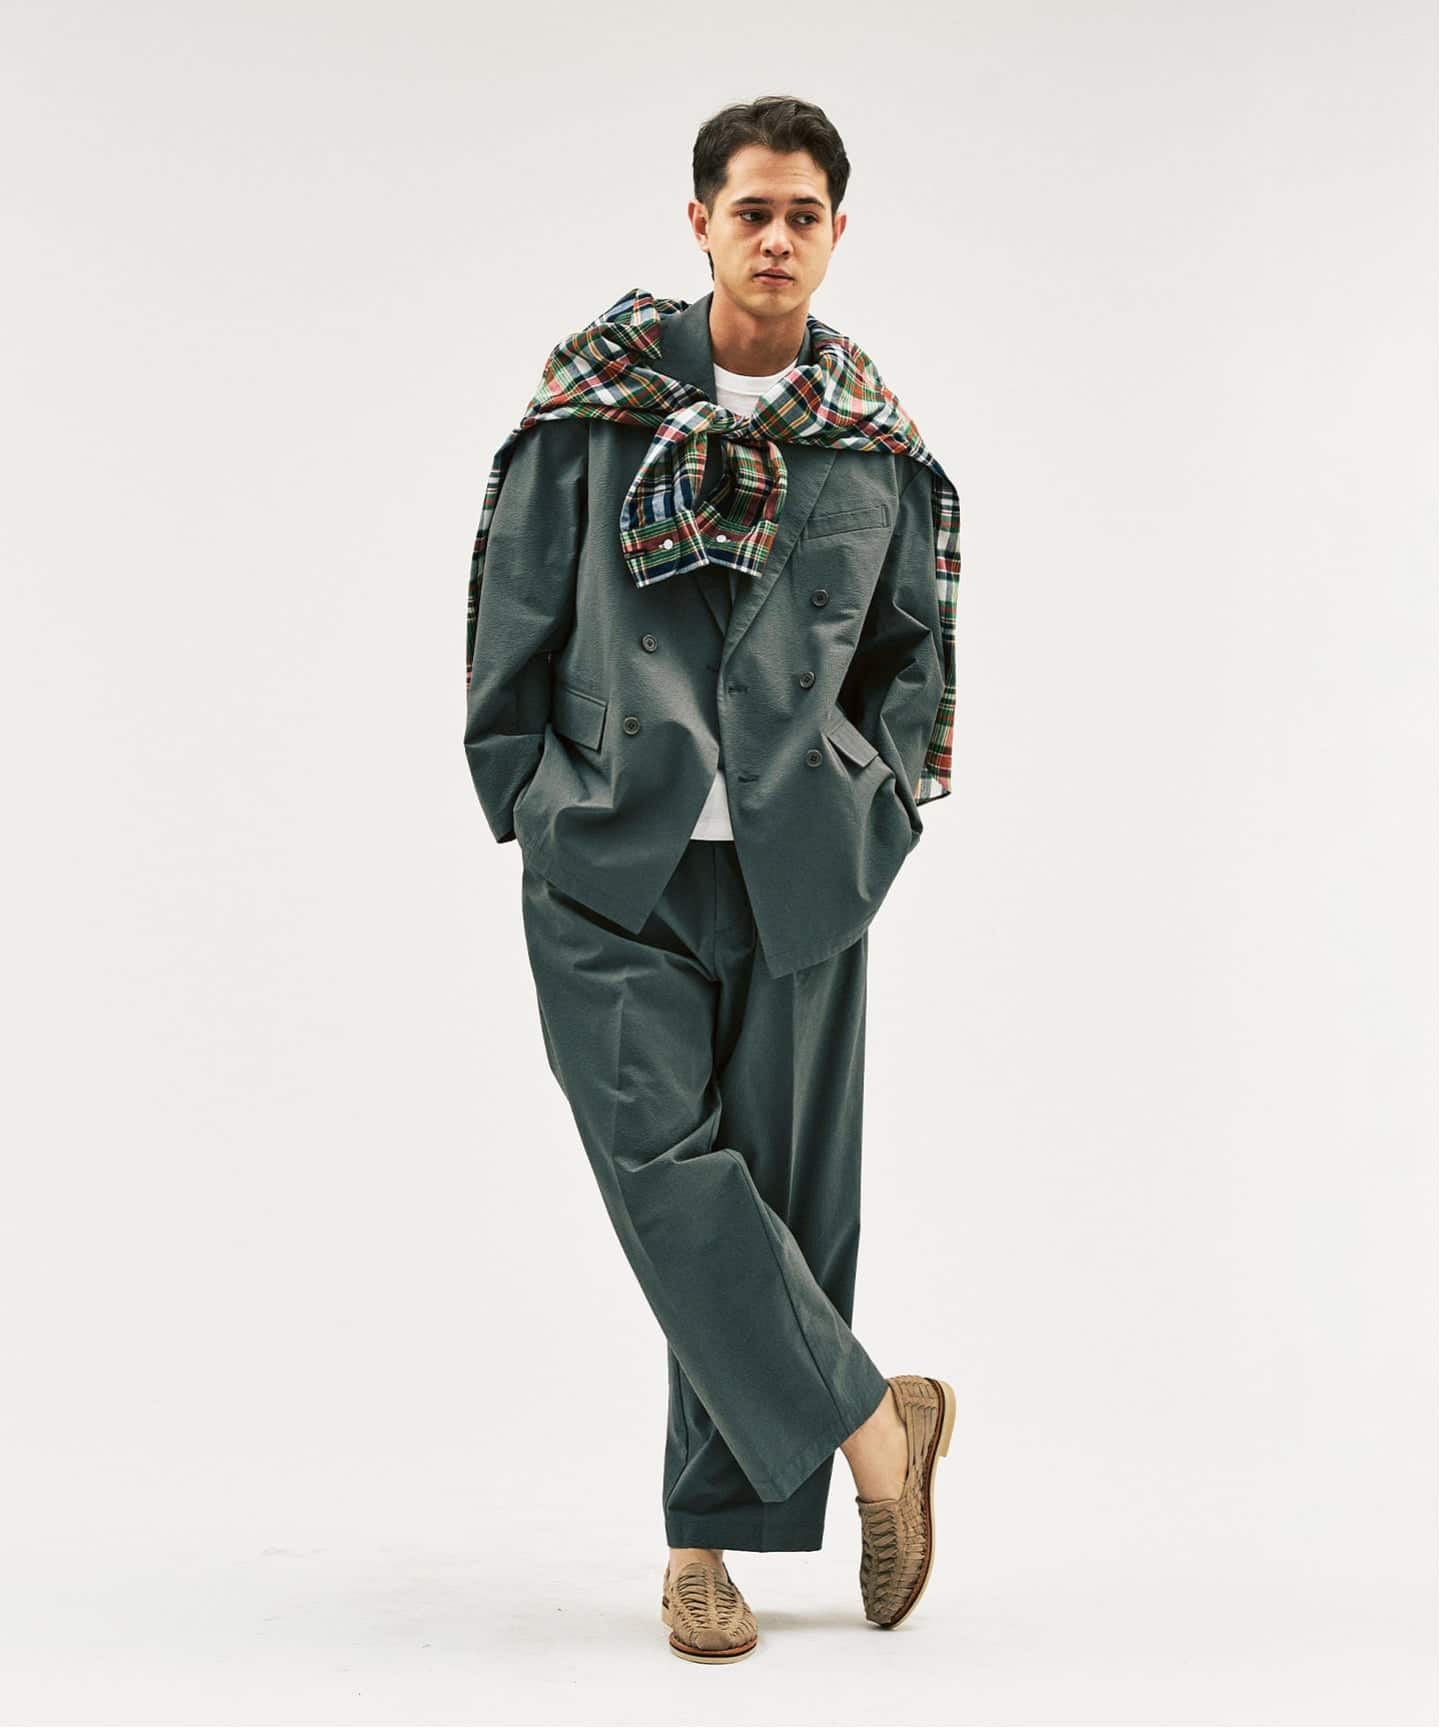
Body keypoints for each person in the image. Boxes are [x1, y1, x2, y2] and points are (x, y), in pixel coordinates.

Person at [463, 94, 961, 1663]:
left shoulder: (871, 441)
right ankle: (878, 1424)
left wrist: (878, 807)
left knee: (779, 1206)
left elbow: (913, 657)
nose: (777, 236)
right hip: (610, 861)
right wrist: (532, 797)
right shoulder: (593, 408)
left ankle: (706, 1546)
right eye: (752, 209)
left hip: (803, 875)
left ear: (836, 231)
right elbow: (511, 618)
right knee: (668, 1179)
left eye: (805, 213)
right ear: (701, 223)